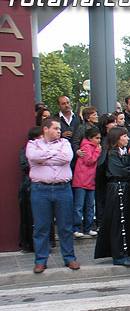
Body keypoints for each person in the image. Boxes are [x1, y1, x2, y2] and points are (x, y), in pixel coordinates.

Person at [26, 117, 79, 273]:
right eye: (55, 128)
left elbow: (66, 158)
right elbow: (33, 157)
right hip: (40, 189)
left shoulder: (64, 143)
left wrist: (44, 157)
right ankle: (41, 260)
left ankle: (70, 258)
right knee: (41, 226)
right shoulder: (33, 144)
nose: (59, 131)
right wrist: (53, 154)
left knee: (65, 226)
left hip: (63, 189)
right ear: (45, 129)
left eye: (59, 129)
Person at [94, 127, 130, 266]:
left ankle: (125, 251)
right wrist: (129, 163)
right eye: (124, 136)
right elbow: (120, 171)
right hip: (116, 188)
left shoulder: (121, 153)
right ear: (117, 138)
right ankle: (118, 255)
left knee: (124, 221)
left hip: (124, 189)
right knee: (118, 222)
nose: (127, 139)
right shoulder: (111, 154)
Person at [71, 126, 101, 238]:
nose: (99, 140)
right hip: (81, 180)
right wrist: (97, 151)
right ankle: (76, 228)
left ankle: (88, 228)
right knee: (79, 206)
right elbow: (89, 160)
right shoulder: (86, 146)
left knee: (89, 205)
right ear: (90, 138)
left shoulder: (93, 147)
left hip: (90, 180)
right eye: (96, 138)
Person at [18, 127, 44, 252]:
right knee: (30, 216)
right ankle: (30, 244)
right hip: (29, 185)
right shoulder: (26, 149)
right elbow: (25, 165)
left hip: (42, 184)